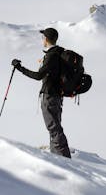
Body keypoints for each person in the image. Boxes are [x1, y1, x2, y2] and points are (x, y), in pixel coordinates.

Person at [11, 28, 71, 158]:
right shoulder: (59, 53)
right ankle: (58, 157)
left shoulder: (52, 55)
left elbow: (38, 76)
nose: (42, 39)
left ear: (46, 39)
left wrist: (19, 68)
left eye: (43, 37)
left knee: (53, 128)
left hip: (49, 95)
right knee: (55, 126)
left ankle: (65, 159)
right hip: (57, 96)